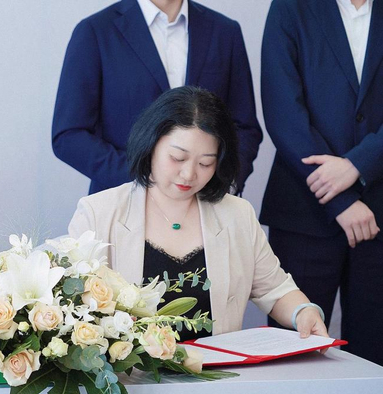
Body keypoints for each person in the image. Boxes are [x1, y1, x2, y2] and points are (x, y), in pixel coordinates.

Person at [68, 87, 329, 341]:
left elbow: (275, 290)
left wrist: (303, 312)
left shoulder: (237, 215)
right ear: (150, 145)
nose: (189, 174)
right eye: (177, 158)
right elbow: (73, 309)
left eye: (205, 163)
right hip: (133, 370)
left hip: (217, 367)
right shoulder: (98, 214)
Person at [260, 0, 382, 365]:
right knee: (293, 356)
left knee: (376, 355)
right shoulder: (290, 7)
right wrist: (340, 200)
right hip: (304, 209)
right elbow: (283, 110)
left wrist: (358, 163)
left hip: (379, 208)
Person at [52, 0, 262, 195]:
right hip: (123, 199)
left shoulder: (224, 31)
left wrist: (221, 183)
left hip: (204, 201)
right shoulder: (96, 31)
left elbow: (244, 126)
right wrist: (144, 178)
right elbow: (69, 134)